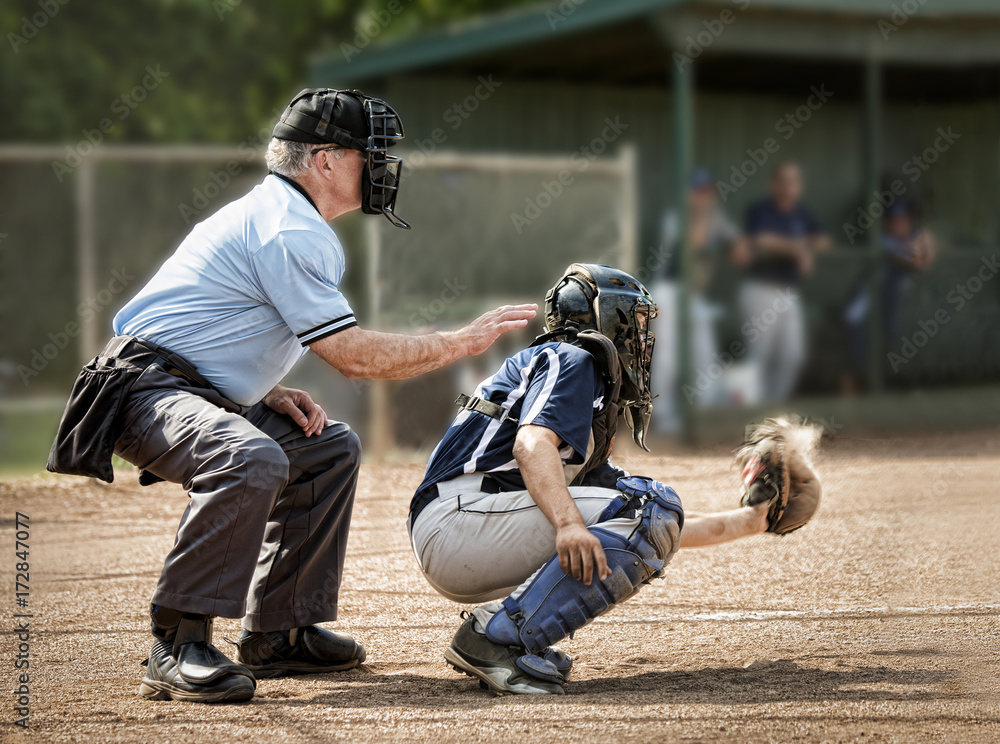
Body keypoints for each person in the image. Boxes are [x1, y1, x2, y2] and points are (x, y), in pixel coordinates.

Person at [46, 88, 536, 704]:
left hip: (179, 383)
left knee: (326, 449)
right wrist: (460, 343)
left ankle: (280, 633)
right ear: (326, 161)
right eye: (370, 153)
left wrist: (265, 389)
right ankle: (176, 644)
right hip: (141, 390)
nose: (383, 167)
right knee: (250, 456)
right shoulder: (288, 228)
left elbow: (206, 321)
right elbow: (353, 356)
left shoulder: (283, 215)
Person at [407, 264, 819, 695]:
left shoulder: (571, 381)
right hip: (461, 521)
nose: (643, 338)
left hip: (466, 522)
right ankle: (495, 640)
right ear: (607, 317)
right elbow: (531, 446)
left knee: (647, 512)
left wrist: (754, 519)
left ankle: (503, 635)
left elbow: (656, 526)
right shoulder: (574, 358)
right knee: (649, 509)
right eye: (637, 321)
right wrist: (568, 525)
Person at [651, 167, 748, 430]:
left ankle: (705, 417)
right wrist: (714, 221)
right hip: (669, 292)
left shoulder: (716, 219)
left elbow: (741, 254)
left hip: (695, 298)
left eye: (705, 191)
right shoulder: (676, 218)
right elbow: (696, 240)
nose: (701, 196)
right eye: (696, 191)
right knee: (668, 358)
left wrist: (733, 240)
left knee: (705, 358)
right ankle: (664, 416)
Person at [741, 161, 830, 402]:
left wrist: (804, 248)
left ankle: (771, 407)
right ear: (774, 184)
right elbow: (761, 240)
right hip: (760, 289)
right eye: (785, 180)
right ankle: (752, 409)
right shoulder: (762, 209)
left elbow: (824, 241)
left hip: (788, 293)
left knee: (794, 355)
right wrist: (798, 250)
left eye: (795, 181)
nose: (790, 186)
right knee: (760, 357)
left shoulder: (802, 213)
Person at [842, 200, 936, 393]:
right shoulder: (882, 240)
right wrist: (919, 250)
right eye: (895, 221)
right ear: (886, 224)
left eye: (904, 220)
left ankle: (878, 393)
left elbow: (928, 254)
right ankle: (850, 402)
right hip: (866, 304)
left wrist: (924, 240)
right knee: (856, 353)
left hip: (892, 308)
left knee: (889, 348)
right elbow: (913, 260)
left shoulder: (913, 238)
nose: (900, 225)